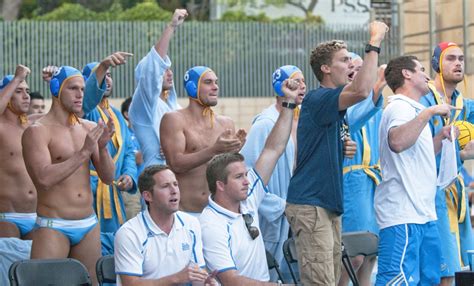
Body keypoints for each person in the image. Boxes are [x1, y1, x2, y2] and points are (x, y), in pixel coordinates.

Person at [285, 21, 388, 285]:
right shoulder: (319, 99)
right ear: (326, 68)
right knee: (321, 281)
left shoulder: (335, 108)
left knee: (331, 279)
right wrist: (374, 41)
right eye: (343, 60)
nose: (350, 66)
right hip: (311, 204)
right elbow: (362, 91)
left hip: (327, 204)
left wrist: (342, 148)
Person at [200, 78, 300, 285]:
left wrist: (289, 103)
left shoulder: (248, 197)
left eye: (246, 174)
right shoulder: (211, 224)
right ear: (220, 185)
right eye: (239, 177)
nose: (247, 181)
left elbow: (273, 149)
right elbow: (231, 280)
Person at [22, 66, 116, 285]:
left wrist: (101, 148)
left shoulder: (89, 127)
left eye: (82, 89)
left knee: (91, 283)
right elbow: (44, 179)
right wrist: (84, 152)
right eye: (73, 88)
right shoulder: (37, 131)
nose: (80, 94)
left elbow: (108, 178)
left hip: (89, 224)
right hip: (54, 225)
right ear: (56, 89)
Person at [374, 55, 457, 285]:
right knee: (397, 280)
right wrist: (429, 113)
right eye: (421, 69)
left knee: (429, 280)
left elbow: (417, 155)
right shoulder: (400, 106)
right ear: (406, 74)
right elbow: (397, 142)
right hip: (403, 215)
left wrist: (440, 137)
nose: (427, 75)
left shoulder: (413, 109)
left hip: (423, 213)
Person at [160, 13, 245, 215]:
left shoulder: (226, 123)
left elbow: (226, 172)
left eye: (216, 82)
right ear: (192, 87)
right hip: (186, 213)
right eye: (208, 82)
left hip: (218, 213)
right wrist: (214, 149)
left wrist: (236, 150)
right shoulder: (174, 120)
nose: (215, 87)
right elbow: (176, 164)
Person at [240, 65, 306, 281]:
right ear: (282, 88)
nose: (303, 86)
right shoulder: (265, 124)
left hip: (299, 212)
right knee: (272, 273)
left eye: (304, 81)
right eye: (296, 82)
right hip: (275, 217)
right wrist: (278, 207)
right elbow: (249, 174)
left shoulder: (303, 121)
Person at [419, 41, 474, 285]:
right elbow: (418, 150)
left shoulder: (465, 104)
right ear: (436, 63)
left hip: (456, 190)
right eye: (451, 58)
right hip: (431, 191)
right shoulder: (424, 100)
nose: (458, 63)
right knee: (446, 272)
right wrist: (460, 155)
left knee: (465, 266)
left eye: (461, 58)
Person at [114, 165, 218, 286]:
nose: (174, 191)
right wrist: (176, 278)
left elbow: (197, 275)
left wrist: (206, 283)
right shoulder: (129, 233)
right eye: (165, 186)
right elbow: (130, 284)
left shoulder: (191, 223)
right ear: (148, 196)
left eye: (175, 184)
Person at [80, 58, 138, 256]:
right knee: (91, 249)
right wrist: (103, 67)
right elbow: (87, 99)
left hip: (114, 195)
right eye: (102, 76)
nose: (108, 80)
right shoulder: (84, 112)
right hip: (89, 191)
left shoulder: (117, 114)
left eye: (110, 75)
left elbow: (128, 151)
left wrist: (130, 176)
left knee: (117, 247)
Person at [339, 54, 387, 286]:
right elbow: (351, 123)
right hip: (352, 181)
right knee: (354, 253)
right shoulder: (343, 104)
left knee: (371, 252)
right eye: (352, 69)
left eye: (362, 68)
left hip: (375, 181)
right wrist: (378, 85)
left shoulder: (377, 103)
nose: (358, 72)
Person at [128, 9, 183, 168]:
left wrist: (175, 148)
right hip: (155, 179)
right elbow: (152, 69)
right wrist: (171, 26)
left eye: (169, 68)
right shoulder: (141, 107)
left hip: (177, 179)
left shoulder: (175, 107)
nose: (169, 72)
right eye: (163, 69)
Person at [0, 65, 37, 239]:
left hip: (36, 216)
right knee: (10, 266)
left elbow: (76, 111)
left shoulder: (34, 125)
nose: (26, 96)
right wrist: (16, 78)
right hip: (7, 218)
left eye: (27, 91)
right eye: (18, 91)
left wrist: (55, 87)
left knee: (36, 266)